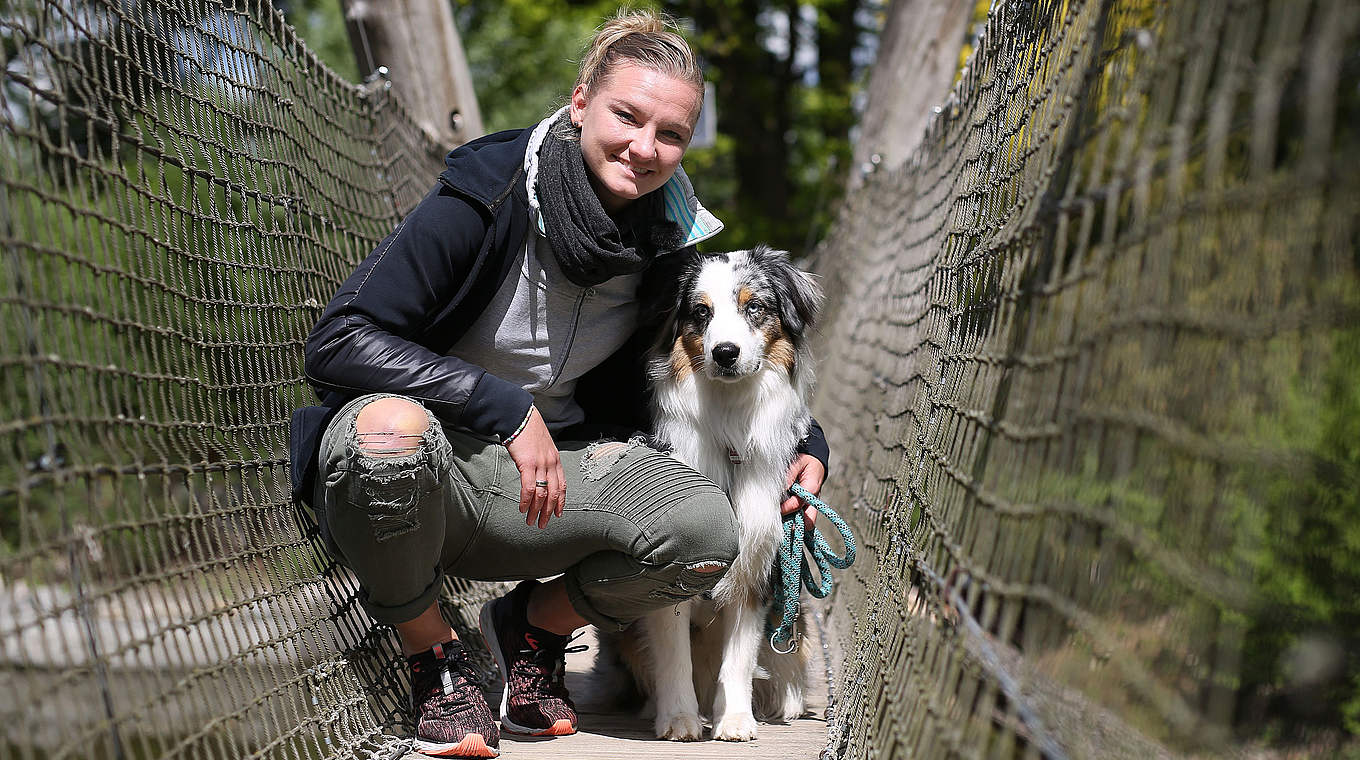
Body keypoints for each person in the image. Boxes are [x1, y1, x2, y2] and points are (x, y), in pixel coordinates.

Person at [288, 10, 829, 757]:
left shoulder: (669, 247)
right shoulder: (485, 195)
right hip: (428, 472)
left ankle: (531, 626)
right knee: (387, 434)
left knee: (710, 532)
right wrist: (500, 404)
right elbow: (339, 340)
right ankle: (436, 659)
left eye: (669, 134)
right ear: (581, 104)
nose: (644, 148)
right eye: (626, 117)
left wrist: (812, 443)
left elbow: (732, 351)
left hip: (558, 487)